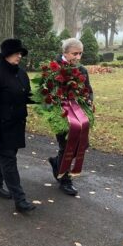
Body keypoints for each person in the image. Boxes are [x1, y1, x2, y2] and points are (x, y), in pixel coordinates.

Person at [0, 39, 36, 213]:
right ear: (6, 55)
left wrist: (46, 98)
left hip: (16, 125)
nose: (20, 56)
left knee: (6, 158)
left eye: (21, 53)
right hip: (0, 126)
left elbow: (26, 95)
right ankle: (20, 200)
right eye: (16, 53)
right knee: (9, 160)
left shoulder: (21, 73)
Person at [48, 38, 94, 196]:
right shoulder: (53, 69)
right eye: (75, 53)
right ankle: (65, 180)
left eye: (80, 53)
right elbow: (46, 93)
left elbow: (88, 90)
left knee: (82, 145)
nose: (78, 57)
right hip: (61, 115)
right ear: (65, 53)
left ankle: (57, 162)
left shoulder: (82, 70)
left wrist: (88, 102)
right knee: (67, 145)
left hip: (79, 114)